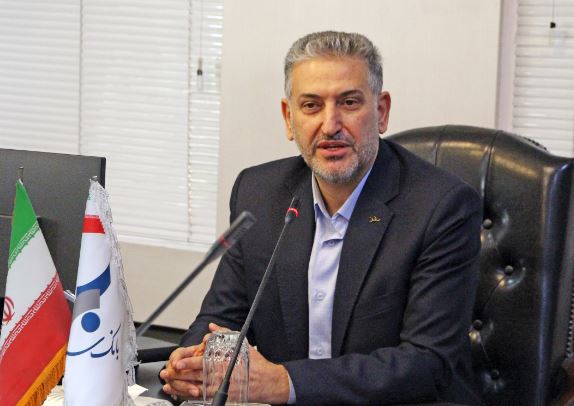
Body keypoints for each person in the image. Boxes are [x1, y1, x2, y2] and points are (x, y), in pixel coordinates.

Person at [160, 31, 482, 405]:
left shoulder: (442, 207)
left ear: (381, 111)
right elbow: (221, 319)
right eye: (311, 105)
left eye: (349, 102)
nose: (330, 125)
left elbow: (427, 362)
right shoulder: (260, 194)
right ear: (289, 118)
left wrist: (285, 382)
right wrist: (192, 364)